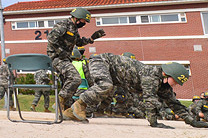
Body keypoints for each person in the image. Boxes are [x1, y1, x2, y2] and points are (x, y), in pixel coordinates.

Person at [79, 55, 208, 129]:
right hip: (102, 61)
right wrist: (154, 123)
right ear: (167, 74)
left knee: (105, 100)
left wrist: (192, 122)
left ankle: (75, 114)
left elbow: (174, 104)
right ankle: (77, 106)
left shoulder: (164, 85)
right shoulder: (150, 75)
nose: (175, 85)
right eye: (175, 81)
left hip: (116, 77)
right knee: (105, 86)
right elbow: (149, 99)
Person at [46, 7, 105, 113]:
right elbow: (51, 38)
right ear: (78, 18)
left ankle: (65, 112)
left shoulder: (74, 28)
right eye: (84, 21)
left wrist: (91, 39)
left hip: (65, 59)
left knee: (67, 84)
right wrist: (60, 51)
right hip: (57, 58)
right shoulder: (63, 25)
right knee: (75, 79)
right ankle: (59, 102)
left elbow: (78, 42)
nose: (84, 23)